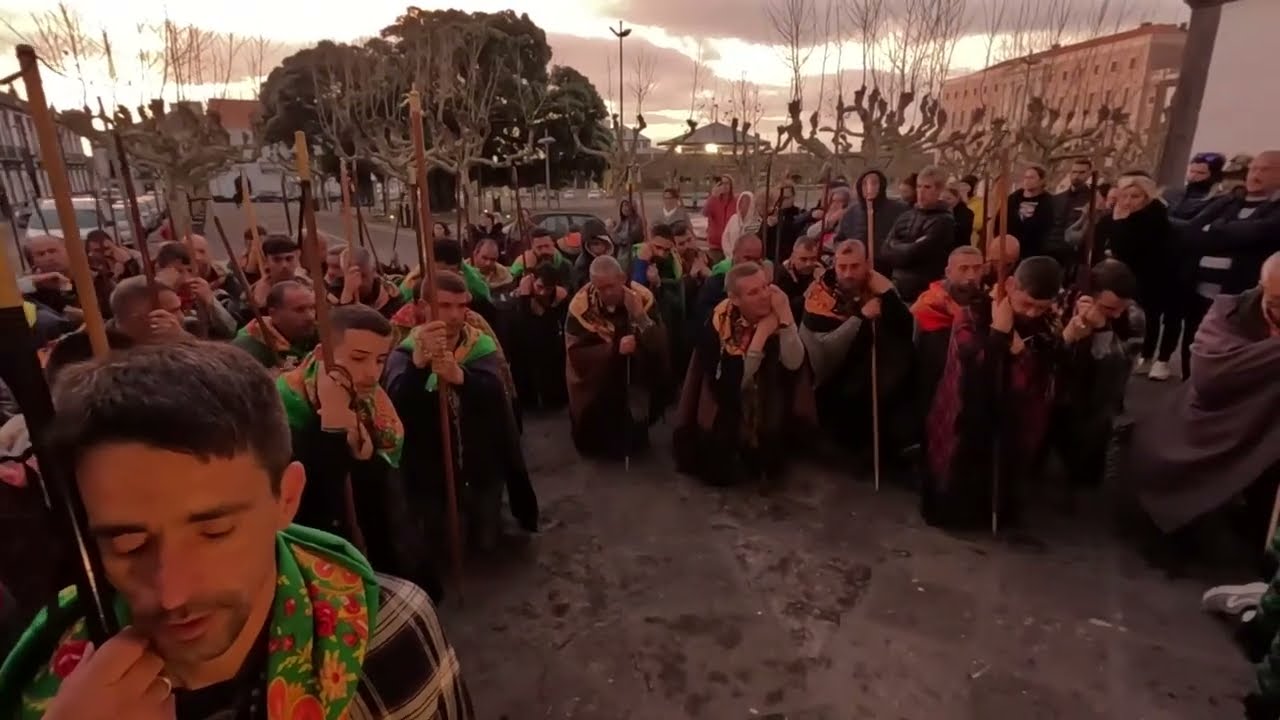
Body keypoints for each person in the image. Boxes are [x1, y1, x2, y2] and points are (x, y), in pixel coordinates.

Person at [0, 341, 473, 719]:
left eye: (215, 532)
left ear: (285, 499)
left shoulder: (390, 632)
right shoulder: (52, 682)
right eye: (128, 543)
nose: (171, 593)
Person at [1131, 252, 1280, 551]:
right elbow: (1213, 372)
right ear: (1261, 286)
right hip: (1215, 420)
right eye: (1275, 299)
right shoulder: (1230, 311)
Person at [276, 305, 427, 592]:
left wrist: (363, 448)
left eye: (380, 360)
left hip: (377, 539)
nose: (372, 373)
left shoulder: (370, 400)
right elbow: (313, 498)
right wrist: (332, 425)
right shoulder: (282, 408)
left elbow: (381, 475)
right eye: (358, 358)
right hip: (324, 562)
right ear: (323, 355)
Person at [383, 271, 537, 549]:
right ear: (422, 308)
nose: (455, 315)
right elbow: (398, 408)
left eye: (461, 306)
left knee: (485, 540)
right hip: (430, 467)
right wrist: (418, 368)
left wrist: (461, 377)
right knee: (439, 541)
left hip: (480, 463)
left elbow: (497, 394)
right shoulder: (404, 353)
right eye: (444, 306)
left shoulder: (480, 345)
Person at [921, 256, 1064, 530]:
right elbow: (971, 363)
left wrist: (1022, 354)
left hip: (1013, 416)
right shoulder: (974, 312)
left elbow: (1048, 369)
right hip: (971, 414)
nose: (1032, 313)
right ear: (1010, 285)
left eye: (1040, 307)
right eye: (1027, 304)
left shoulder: (1047, 323)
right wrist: (998, 334)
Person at [673, 262, 812, 486]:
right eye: (753, 292)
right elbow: (733, 382)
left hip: (768, 398)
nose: (764, 296)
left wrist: (785, 318)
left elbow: (794, 363)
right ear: (735, 299)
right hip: (727, 400)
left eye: (766, 287)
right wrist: (761, 336)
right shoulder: (719, 322)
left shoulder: (778, 309)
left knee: (770, 464)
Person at [800, 240, 914, 463]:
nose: (848, 273)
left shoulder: (876, 287)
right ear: (834, 265)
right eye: (843, 267)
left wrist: (889, 294)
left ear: (868, 264)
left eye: (855, 266)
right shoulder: (820, 295)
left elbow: (905, 326)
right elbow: (825, 349)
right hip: (834, 378)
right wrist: (860, 318)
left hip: (871, 371)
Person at [1174, 150, 1280, 380]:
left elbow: (1259, 233)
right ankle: (1188, 385)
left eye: (1265, 169)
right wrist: (1227, 234)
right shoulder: (1227, 201)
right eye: (1253, 169)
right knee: (1194, 343)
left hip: (1242, 296)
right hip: (1199, 291)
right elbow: (1192, 232)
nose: (1255, 174)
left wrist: (1216, 230)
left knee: (1233, 352)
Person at [1045, 260, 1143, 496]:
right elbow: (1048, 350)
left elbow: (1122, 363)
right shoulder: (1063, 302)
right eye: (1110, 308)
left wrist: (1103, 330)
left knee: (1089, 453)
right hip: (1061, 388)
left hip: (1100, 394)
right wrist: (1069, 333)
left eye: (1122, 307)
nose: (1118, 313)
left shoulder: (1134, 316)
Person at [565, 255, 668, 460]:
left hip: (635, 373)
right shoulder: (581, 306)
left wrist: (640, 317)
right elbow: (576, 353)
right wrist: (612, 350)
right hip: (600, 379)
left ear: (622, 278)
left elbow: (659, 344)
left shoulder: (643, 298)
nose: (606, 293)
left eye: (611, 286)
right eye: (600, 288)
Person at [1098, 174, 1178, 380]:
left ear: (1146, 197)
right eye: (1125, 196)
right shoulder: (1117, 216)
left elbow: (1128, 247)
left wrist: (1120, 223)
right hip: (1122, 274)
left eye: (1135, 196)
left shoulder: (1155, 219)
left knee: (1147, 317)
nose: (1128, 201)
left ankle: (1148, 356)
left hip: (1149, 276)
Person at [911, 246, 985, 415]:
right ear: (949, 272)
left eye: (977, 268)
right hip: (932, 389)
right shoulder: (926, 308)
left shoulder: (988, 308)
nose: (971, 276)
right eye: (964, 269)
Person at [881, 165, 956, 303]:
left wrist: (897, 246)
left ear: (939, 190)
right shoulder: (905, 216)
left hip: (925, 292)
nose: (921, 192)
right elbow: (885, 251)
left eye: (927, 187)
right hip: (899, 288)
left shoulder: (944, 221)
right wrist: (906, 247)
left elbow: (917, 253)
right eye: (919, 186)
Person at [508, 262, 570, 412]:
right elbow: (521, 322)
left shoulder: (559, 297)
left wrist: (551, 307)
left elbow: (555, 322)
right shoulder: (522, 295)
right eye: (539, 287)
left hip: (550, 344)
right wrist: (524, 296)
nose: (543, 293)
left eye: (548, 289)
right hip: (525, 344)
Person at [630, 224, 687, 371]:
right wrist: (642, 264)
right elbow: (635, 290)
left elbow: (678, 303)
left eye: (666, 250)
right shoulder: (634, 258)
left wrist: (659, 284)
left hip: (667, 329)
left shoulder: (674, 267)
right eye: (657, 247)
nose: (662, 254)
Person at [153, 242, 238, 340]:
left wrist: (210, 301)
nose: (186, 279)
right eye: (178, 271)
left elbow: (231, 330)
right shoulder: (155, 301)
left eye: (189, 270)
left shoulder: (217, 294)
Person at [231, 280, 317, 371]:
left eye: (312, 308)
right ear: (274, 314)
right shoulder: (247, 351)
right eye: (299, 310)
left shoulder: (319, 334)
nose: (310, 317)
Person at [695, 234, 768, 335]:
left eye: (756, 260)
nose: (752, 264)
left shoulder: (765, 285)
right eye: (747, 258)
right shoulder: (714, 285)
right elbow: (704, 321)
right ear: (734, 254)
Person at [836, 169, 909, 270]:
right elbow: (840, 240)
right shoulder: (851, 213)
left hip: (890, 269)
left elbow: (907, 240)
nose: (869, 188)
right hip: (857, 270)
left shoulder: (899, 210)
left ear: (881, 185)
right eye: (865, 184)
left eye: (874, 183)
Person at [333, 246, 404, 319]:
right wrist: (347, 292)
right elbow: (340, 324)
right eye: (351, 275)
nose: (358, 282)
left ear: (373, 271)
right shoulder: (335, 291)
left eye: (363, 276)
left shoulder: (390, 294)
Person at [1048, 158, 1096, 267]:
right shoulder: (1057, 199)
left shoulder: (1093, 199)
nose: (1076, 176)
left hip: (1076, 255)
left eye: (1081, 172)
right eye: (1074, 172)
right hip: (1053, 251)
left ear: (1089, 174)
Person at [1005, 164, 1055, 259]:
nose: (1027, 181)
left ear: (1041, 181)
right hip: (1010, 249)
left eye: (1031, 178)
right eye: (1026, 177)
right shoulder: (1013, 199)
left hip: (1034, 251)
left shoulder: (1048, 202)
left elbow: (1047, 227)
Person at [248, 234, 306, 308]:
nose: (284, 265)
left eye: (289, 259)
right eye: (277, 260)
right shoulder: (255, 294)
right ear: (266, 262)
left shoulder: (308, 286)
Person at [1166, 152, 1226, 220]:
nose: (1193, 176)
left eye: (1201, 173)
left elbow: (1192, 225)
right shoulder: (1174, 193)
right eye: (1192, 171)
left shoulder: (1218, 200)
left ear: (1214, 176)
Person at [773, 237, 821, 321]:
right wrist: (807, 295)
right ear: (793, 257)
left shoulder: (820, 270)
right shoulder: (781, 275)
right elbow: (784, 310)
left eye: (813, 259)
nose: (808, 264)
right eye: (803, 259)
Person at [761, 183, 809, 263]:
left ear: (793, 197)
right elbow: (761, 241)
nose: (782, 201)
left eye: (786, 198)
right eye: (779, 198)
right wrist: (768, 226)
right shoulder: (770, 216)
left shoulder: (800, 215)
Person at [570, 223, 615, 291]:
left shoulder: (612, 261)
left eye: (604, 242)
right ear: (587, 246)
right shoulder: (582, 265)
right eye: (595, 244)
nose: (601, 246)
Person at [702, 175, 737, 261]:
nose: (724, 186)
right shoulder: (713, 200)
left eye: (727, 183)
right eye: (721, 184)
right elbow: (705, 212)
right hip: (715, 245)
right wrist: (712, 196)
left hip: (731, 244)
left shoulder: (736, 201)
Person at [721, 190, 759, 260]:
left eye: (746, 202)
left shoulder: (756, 221)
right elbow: (725, 238)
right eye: (741, 202)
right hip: (730, 258)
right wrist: (730, 254)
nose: (743, 205)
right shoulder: (733, 218)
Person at [941, 183, 975, 252]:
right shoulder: (939, 211)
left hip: (960, 250)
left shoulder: (966, 213)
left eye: (949, 199)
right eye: (943, 199)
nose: (945, 202)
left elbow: (961, 233)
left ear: (957, 198)